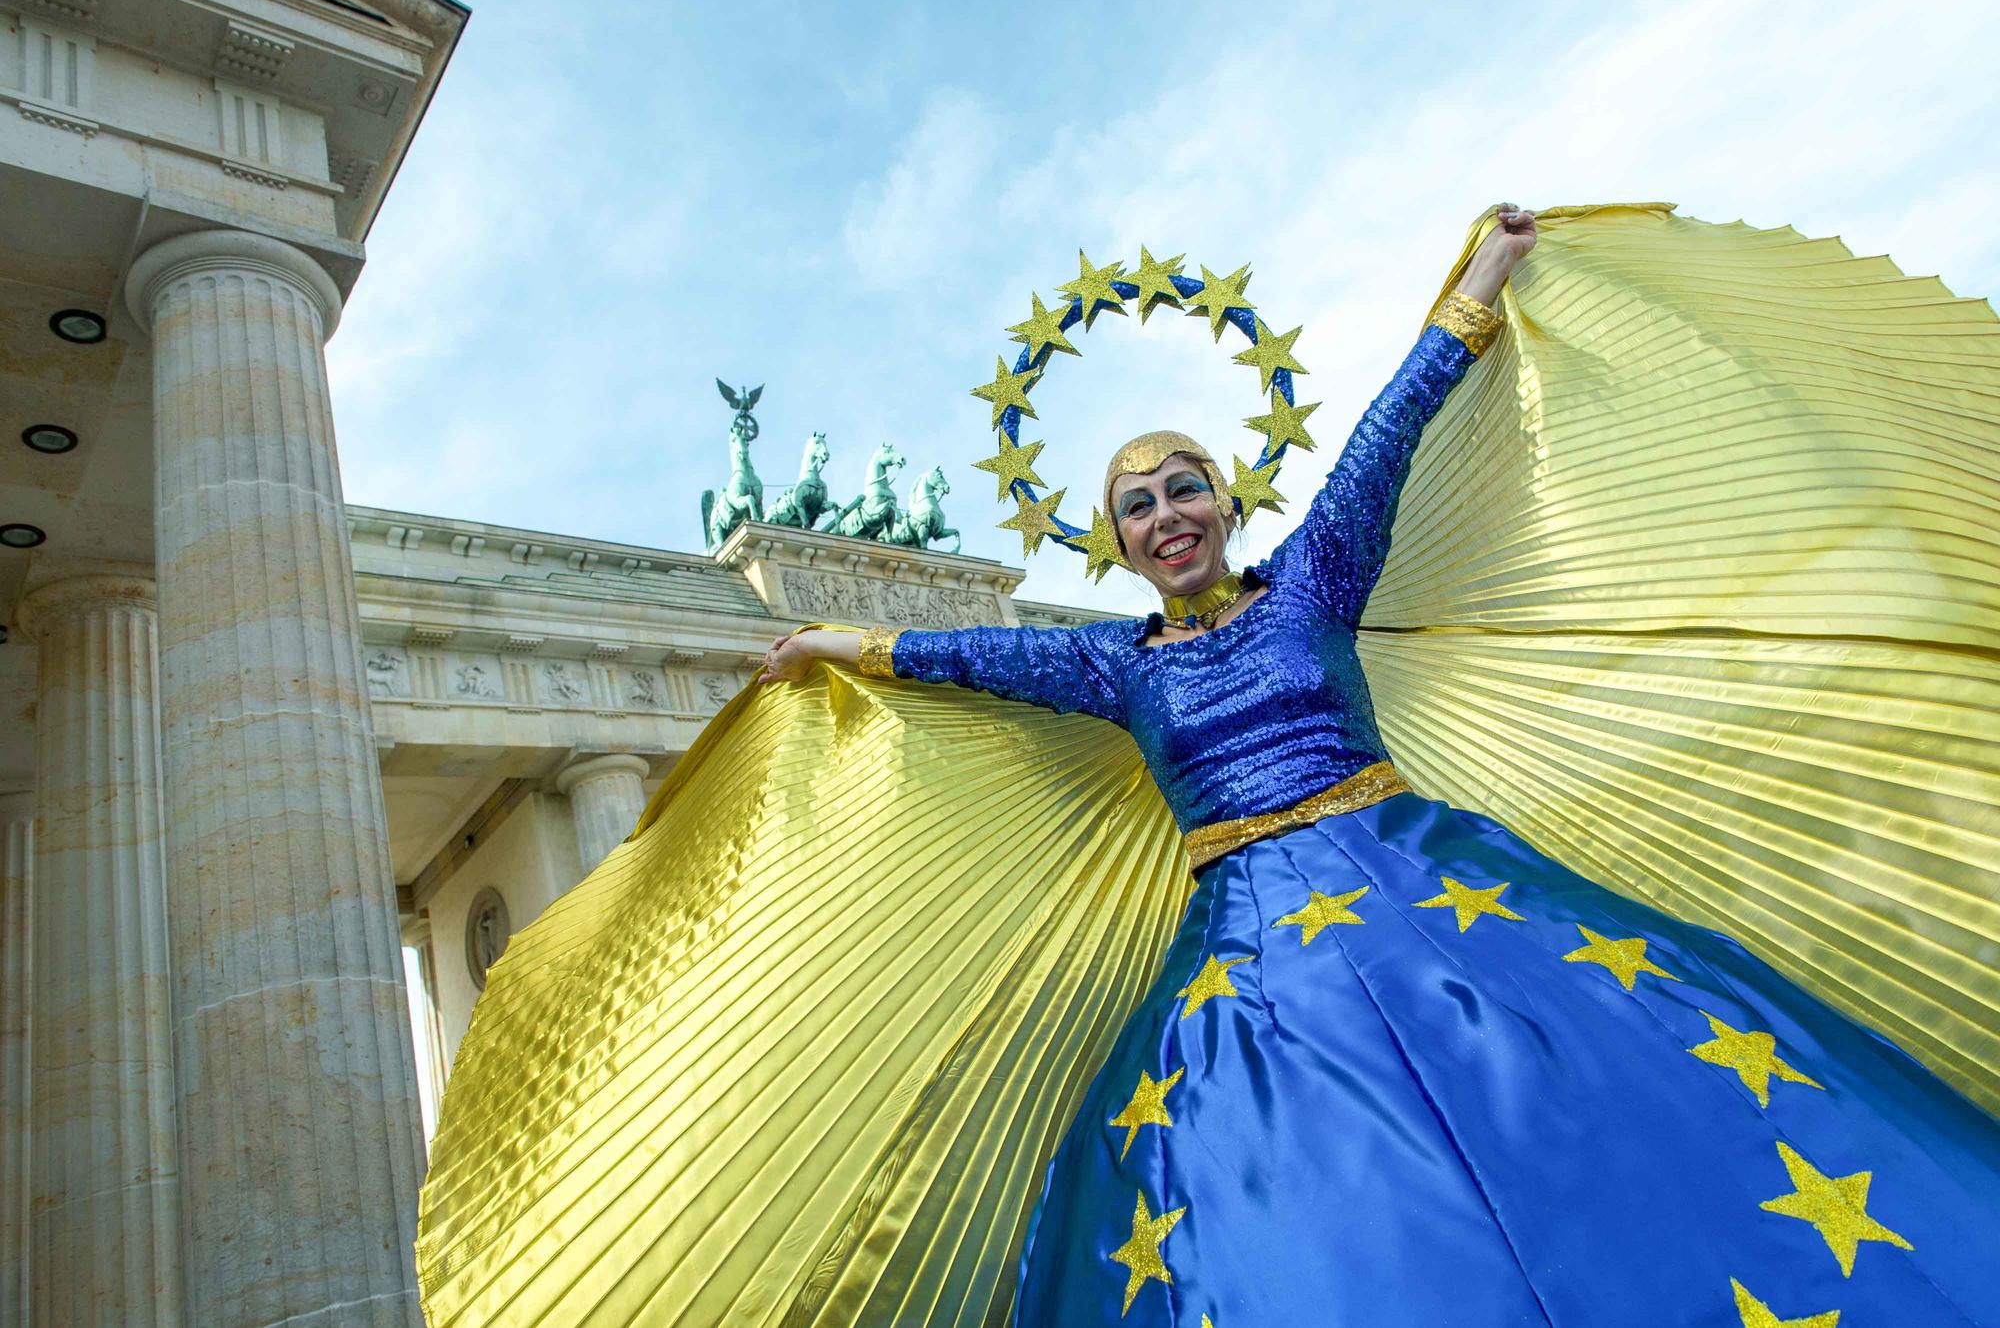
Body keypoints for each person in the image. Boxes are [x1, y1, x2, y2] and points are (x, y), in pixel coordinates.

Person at [414, 205, 2000, 1328]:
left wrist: (1479, 288)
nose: (1167, 514)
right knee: (1290, 1187)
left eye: (1186, 487)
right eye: (1136, 507)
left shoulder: (1313, 581)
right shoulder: (1117, 661)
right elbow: (980, 656)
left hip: (1434, 885)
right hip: (1248, 950)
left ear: (1224, 501)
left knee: (1596, 1092)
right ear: (1108, 542)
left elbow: (1384, 441)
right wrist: (839, 650)